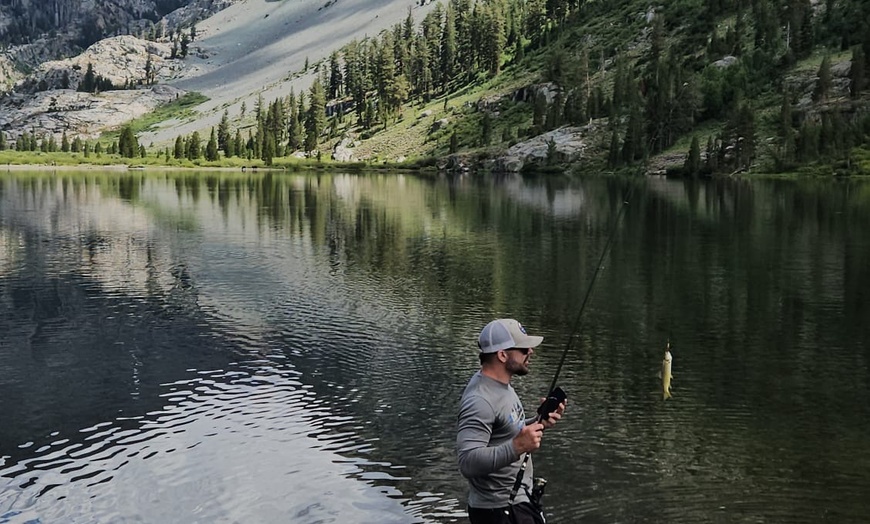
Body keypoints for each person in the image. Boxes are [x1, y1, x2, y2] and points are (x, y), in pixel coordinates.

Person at [457, 319, 566, 524]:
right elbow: (467, 462)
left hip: (518, 503)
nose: (531, 352)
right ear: (502, 355)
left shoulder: (501, 385)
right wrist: (517, 446)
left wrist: (539, 422)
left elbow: (506, 430)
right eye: (524, 349)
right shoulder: (480, 400)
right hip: (498, 511)